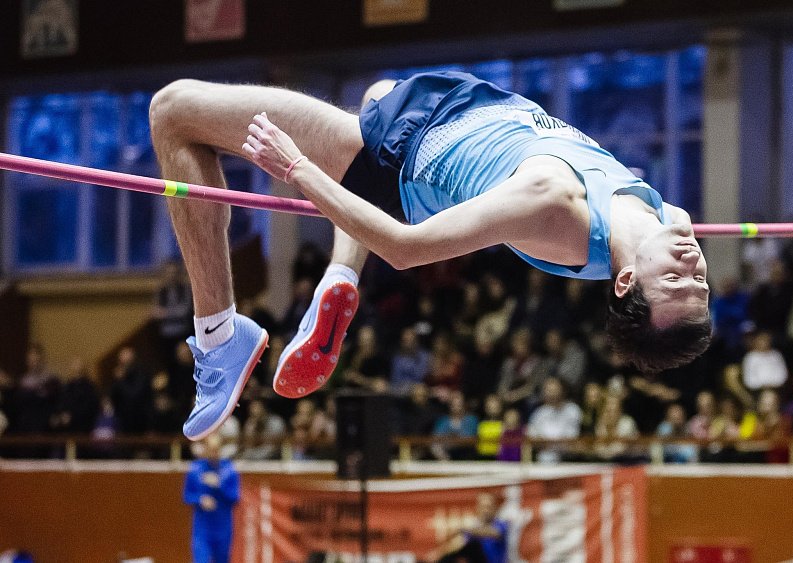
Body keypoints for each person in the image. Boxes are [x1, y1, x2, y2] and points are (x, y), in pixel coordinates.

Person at [149, 71, 712, 440]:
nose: (691, 264)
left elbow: (404, 247)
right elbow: (678, 258)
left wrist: (296, 167)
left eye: (675, 282)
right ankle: (341, 272)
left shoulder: (556, 207)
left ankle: (220, 337)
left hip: (408, 151)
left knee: (173, 110)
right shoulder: (672, 220)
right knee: (372, 90)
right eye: (699, 284)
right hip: (456, 103)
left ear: (626, 280)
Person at [184, 432, 240, 563]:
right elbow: (187, 495)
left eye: (216, 450)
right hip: (202, 529)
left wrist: (219, 484)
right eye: (210, 450)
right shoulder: (195, 469)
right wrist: (200, 499)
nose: (213, 454)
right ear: (205, 449)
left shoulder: (229, 470)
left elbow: (235, 497)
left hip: (223, 528)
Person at [427, 492, 508, 563]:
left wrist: (464, 529)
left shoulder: (501, 525)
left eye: (488, 507)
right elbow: (457, 544)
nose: (485, 510)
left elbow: (493, 533)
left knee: (474, 546)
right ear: (478, 508)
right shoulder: (474, 528)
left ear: (495, 508)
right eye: (483, 507)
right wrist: (438, 553)